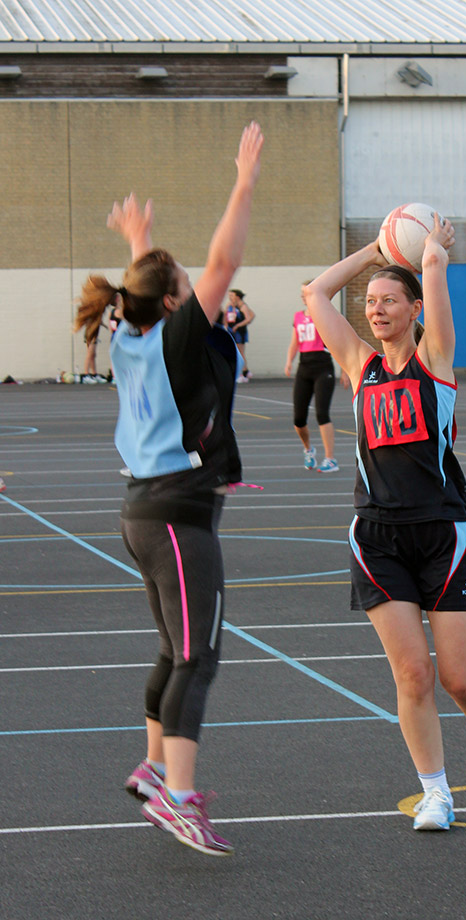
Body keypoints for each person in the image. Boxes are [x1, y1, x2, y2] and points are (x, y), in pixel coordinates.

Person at [73, 122, 264, 855]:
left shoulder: (130, 334)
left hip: (143, 512)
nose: (199, 283)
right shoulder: (180, 332)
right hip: (178, 513)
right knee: (198, 656)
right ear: (180, 299)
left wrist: (138, 241)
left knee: (171, 648)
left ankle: (155, 770)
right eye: (187, 282)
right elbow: (225, 256)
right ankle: (178, 797)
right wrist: (243, 177)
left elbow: (146, 288)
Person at [304, 215, 466, 831]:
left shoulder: (435, 361)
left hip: (443, 533)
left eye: (390, 300)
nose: (376, 310)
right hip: (378, 537)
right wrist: (375, 250)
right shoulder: (359, 367)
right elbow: (315, 293)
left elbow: (435, 277)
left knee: (459, 679)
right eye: (370, 302)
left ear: (415, 309)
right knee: (412, 673)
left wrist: (430, 253)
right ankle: (435, 792)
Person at [284, 281, 342, 472]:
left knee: (321, 413)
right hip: (304, 367)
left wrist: (344, 369)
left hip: (323, 366)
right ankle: (308, 449)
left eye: (306, 292)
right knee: (298, 419)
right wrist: (289, 361)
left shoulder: (323, 315)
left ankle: (330, 458)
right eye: (302, 292)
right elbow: (294, 343)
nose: (303, 295)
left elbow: (336, 342)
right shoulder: (298, 317)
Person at [225, 288, 255, 382]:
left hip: (239, 332)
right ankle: (246, 371)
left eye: (232, 296)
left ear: (237, 297)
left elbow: (249, 318)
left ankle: (241, 373)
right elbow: (226, 317)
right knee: (235, 351)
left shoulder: (243, 306)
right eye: (229, 296)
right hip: (231, 330)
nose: (230, 297)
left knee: (239, 352)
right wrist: (225, 326)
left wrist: (238, 325)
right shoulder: (230, 305)